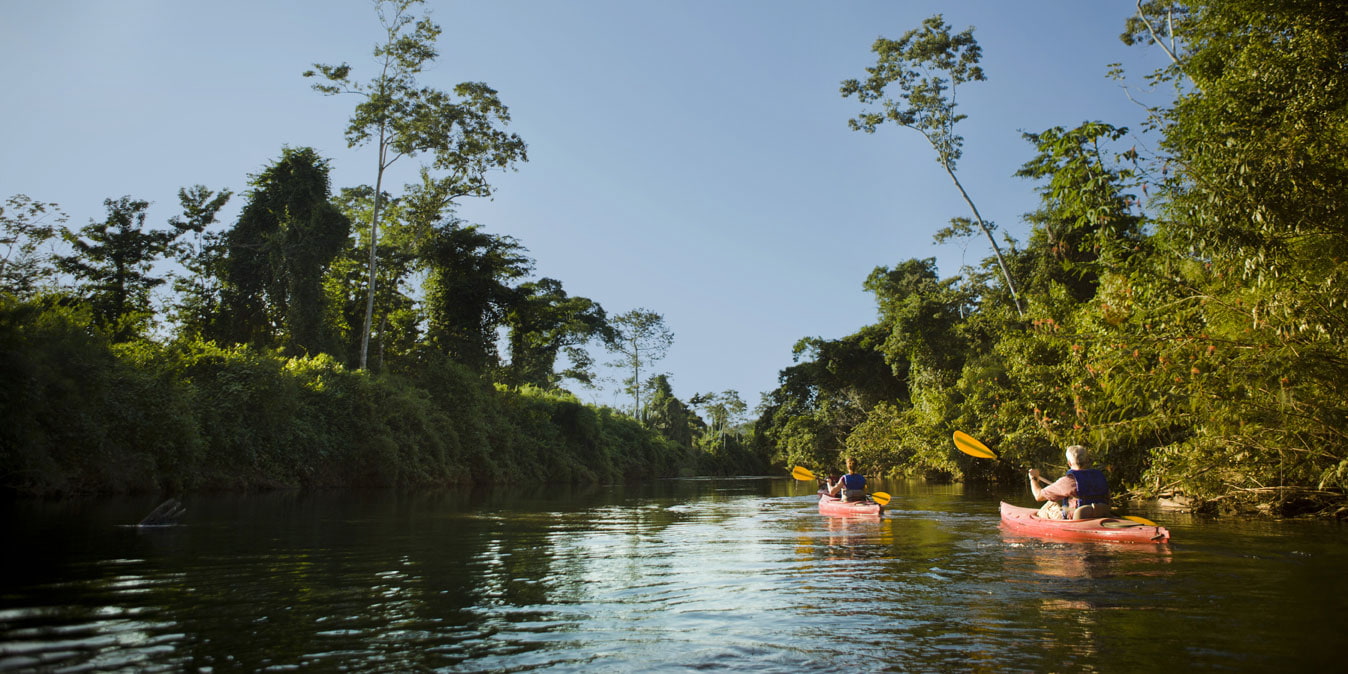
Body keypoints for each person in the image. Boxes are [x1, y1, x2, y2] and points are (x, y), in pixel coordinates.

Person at [1027, 445, 1110, 520]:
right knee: (1059, 502)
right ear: (1087, 460)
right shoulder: (1099, 475)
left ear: (1069, 463)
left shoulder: (1068, 481)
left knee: (1050, 504)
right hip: (1100, 514)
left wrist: (1033, 478)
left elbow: (1038, 496)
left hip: (1077, 519)